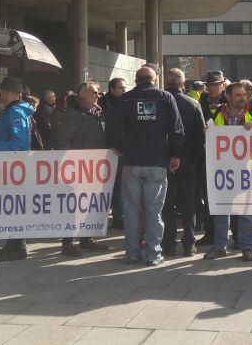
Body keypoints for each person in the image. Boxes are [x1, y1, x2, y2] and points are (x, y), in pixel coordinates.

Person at [109, 67, 184, 265]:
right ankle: (153, 254)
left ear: (136, 80)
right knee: (154, 211)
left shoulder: (125, 99)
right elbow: (177, 129)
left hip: (131, 161)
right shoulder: (166, 98)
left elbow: (115, 126)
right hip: (156, 161)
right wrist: (175, 154)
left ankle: (132, 253)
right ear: (154, 79)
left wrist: (118, 146)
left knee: (131, 211)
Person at [49, 81, 114, 256]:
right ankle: (67, 242)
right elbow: (62, 140)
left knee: (90, 204)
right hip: (78, 168)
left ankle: (86, 239)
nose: (98, 95)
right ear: (83, 94)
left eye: (99, 92)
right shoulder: (73, 114)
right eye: (94, 92)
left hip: (94, 168)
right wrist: (70, 163)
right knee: (72, 206)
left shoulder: (96, 113)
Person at [202, 81, 252, 261]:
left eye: (244, 95)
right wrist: (207, 131)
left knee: (245, 212)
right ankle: (220, 246)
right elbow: (207, 133)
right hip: (222, 170)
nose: (242, 99)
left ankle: (246, 247)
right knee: (222, 210)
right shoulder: (215, 113)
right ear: (228, 97)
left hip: (246, 170)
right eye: (238, 95)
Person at [0, 77, 36, 262]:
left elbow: (20, 142)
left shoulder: (15, 112)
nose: (0, 94)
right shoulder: (10, 111)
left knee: (14, 207)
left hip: (13, 166)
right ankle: (13, 245)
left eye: (2, 91)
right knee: (12, 207)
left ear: (11, 93)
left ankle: (17, 247)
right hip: (11, 165)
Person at [160, 69, 205, 257]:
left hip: (162, 160)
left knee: (166, 203)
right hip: (188, 160)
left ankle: (168, 243)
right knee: (188, 203)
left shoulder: (158, 102)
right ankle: (189, 243)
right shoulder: (192, 103)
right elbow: (201, 135)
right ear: (183, 84)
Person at [195, 70, 228, 245]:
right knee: (208, 197)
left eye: (216, 84)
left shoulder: (229, 101)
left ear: (223, 85)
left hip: (227, 157)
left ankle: (233, 235)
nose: (213, 88)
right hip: (206, 156)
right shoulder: (201, 102)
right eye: (210, 85)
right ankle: (210, 233)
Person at [98, 78, 127, 228]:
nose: (124, 90)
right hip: (106, 150)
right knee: (107, 186)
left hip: (119, 150)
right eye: (121, 88)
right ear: (112, 89)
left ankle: (118, 217)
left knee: (119, 186)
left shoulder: (124, 102)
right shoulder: (102, 105)